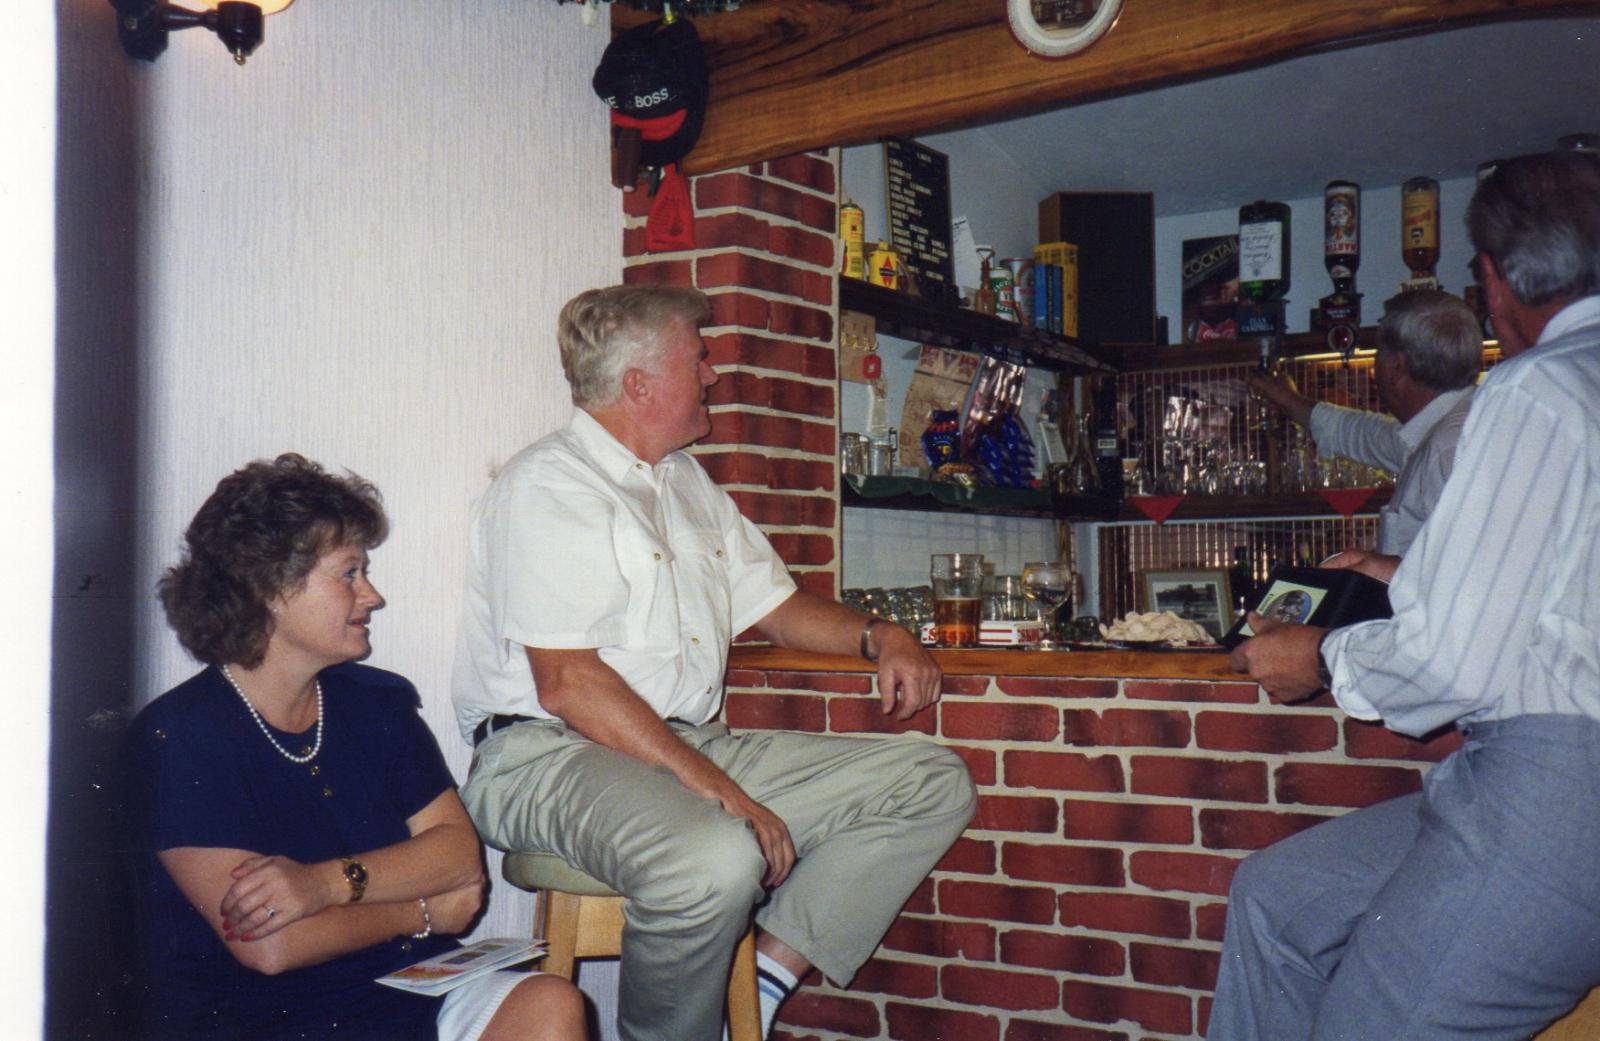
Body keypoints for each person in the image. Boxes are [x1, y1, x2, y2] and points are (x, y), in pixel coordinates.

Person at [452, 285, 977, 1041]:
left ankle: (761, 981)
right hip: (545, 755)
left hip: (679, 744)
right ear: (639, 384)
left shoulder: (685, 481)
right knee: (715, 857)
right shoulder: (549, 484)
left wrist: (881, 635)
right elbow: (568, 683)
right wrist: (723, 792)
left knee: (930, 779)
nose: (711, 374)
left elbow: (776, 604)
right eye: (697, 358)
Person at [1215, 149, 1600, 1041]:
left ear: (1494, 279)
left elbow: (1452, 661)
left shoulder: (1533, 387)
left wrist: (1318, 658)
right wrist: (1407, 575)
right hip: (1533, 782)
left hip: (1552, 794)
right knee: (1275, 900)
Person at [120, 454, 586, 1041]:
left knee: (548, 1002)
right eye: (349, 574)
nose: (372, 595)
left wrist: (321, 885)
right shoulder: (181, 738)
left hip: (403, 984)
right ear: (269, 588)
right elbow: (271, 946)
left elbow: (459, 861)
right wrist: (421, 912)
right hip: (262, 1017)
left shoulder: (375, 704)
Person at [1249, 288, 1482, 554]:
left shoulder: (1450, 448)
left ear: (1397, 367)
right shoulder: (1443, 428)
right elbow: (1361, 433)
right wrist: (1288, 399)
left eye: (1378, 353)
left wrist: (1374, 568)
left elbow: (1468, 565)